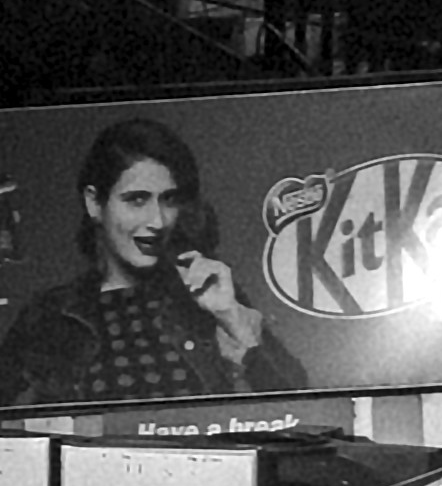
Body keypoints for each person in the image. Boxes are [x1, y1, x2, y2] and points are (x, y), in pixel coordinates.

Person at [0, 117, 277, 405]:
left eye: (168, 200)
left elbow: (298, 413)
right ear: (94, 203)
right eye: (137, 200)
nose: (157, 221)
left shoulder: (209, 294)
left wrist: (231, 318)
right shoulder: (49, 315)